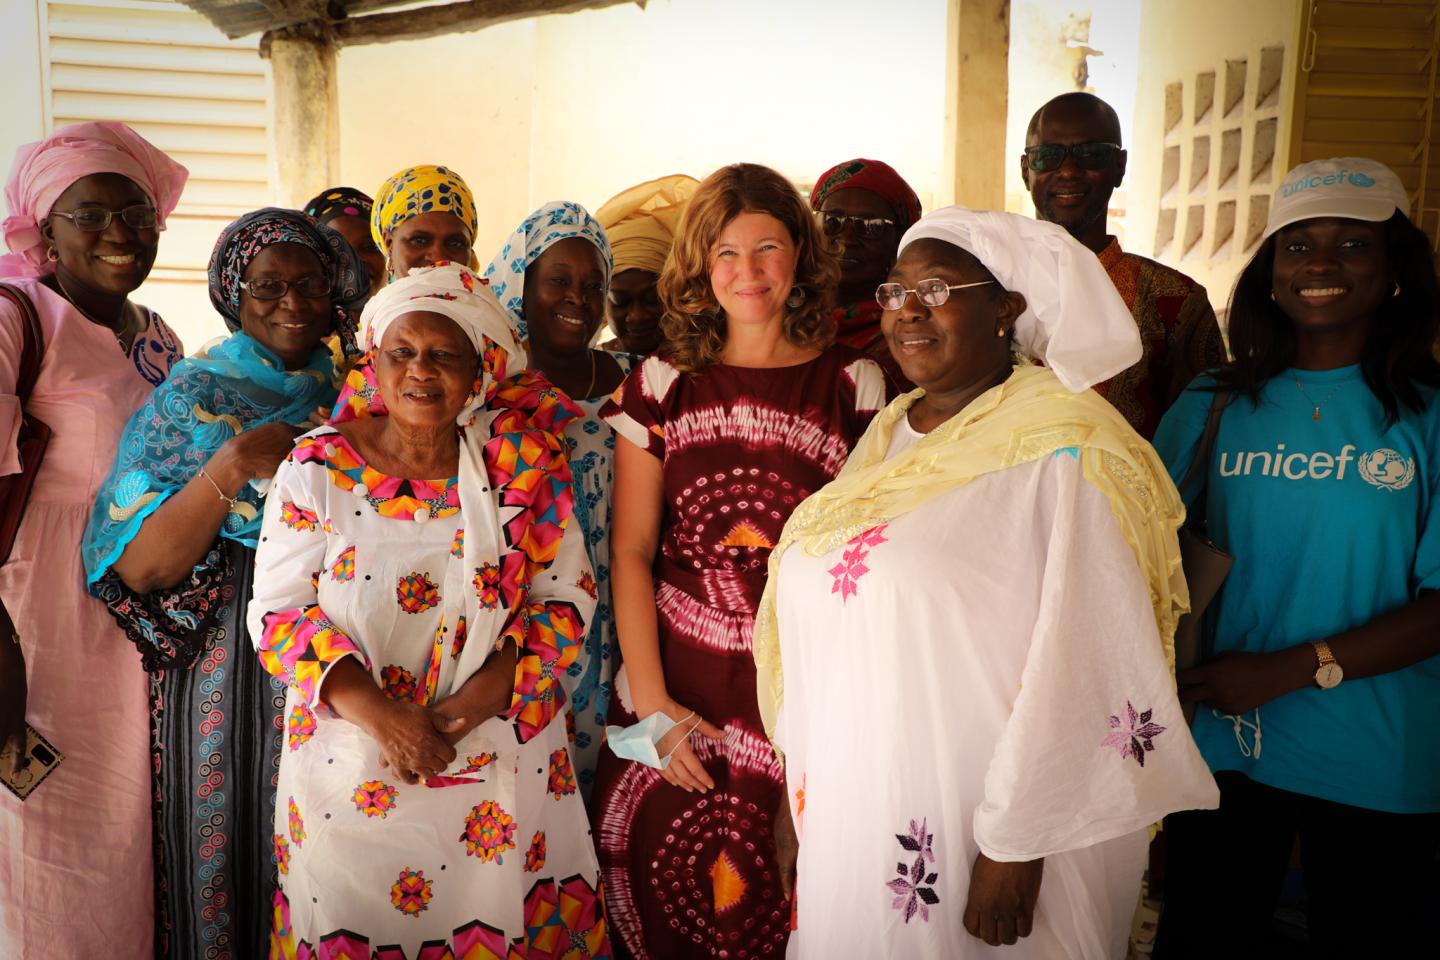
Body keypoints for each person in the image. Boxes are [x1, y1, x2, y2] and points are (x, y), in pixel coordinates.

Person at [754, 205, 1220, 958]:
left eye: (937, 289)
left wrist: (1019, 841)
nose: (908, 310)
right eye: (896, 292)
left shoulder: (1069, 451)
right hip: (853, 796)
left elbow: (1090, 652)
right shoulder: (889, 438)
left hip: (987, 824)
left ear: (1005, 309)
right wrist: (796, 789)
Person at [248, 262, 610, 955]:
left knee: (496, 916)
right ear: (374, 365)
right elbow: (281, 613)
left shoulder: (524, 465)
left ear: (478, 371)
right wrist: (390, 723)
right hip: (351, 760)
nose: (421, 371)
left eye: (445, 355)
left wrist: (463, 713)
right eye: (402, 353)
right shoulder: (316, 469)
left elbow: (565, 601)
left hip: (495, 751)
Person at [590, 162, 890, 959]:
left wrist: (818, 729)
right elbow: (631, 550)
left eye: (767, 247)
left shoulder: (856, 386)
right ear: (699, 264)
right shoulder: (659, 384)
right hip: (673, 683)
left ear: (800, 256)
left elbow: (860, 569)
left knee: (782, 901)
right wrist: (651, 707)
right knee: (660, 892)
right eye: (726, 251)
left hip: (797, 690)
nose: (748, 271)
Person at [1151, 158, 1440, 958]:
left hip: (1379, 758)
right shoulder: (1213, 402)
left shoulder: (1428, 414)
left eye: (1352, 245)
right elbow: (1130, 546)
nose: (1320, 263)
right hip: (1224, 743)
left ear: (1394, 275)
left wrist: (1287, 670)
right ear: (1270, 276)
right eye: (1297, 246)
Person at [82, 207, 365, 958]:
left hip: (336, 658)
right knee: (220, 861)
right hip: (223, 672)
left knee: (330, 864)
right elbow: (139, 566)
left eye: (308, 283)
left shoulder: (357, 392)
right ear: (234, 294)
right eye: (269, 285)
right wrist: (234, 462)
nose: (292, 302)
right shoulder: (190, 395)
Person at [0, 120, 187, 956]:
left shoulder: (159, 338)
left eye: (136, 212)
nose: (120, 232)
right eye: (92, 214)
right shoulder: (15, 317)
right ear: (46, 231)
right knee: (38, 830)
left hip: (136, 621)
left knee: (127, 829)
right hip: (36, 622)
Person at [484, 201, 628, 796]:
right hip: (528, 619)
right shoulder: (493, 385)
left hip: (625, 617)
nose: (578, 299)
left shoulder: (638, 380)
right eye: (559, 281)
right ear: (521, 283)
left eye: (594, 286)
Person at [1023, 91, 1226, 438]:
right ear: (1026, 171)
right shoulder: (984, 284)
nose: (1068, 171)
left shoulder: (1175, 300)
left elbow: (1202, 434)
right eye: (1049, 157)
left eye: (1091, 155)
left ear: (1119, 167)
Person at [809, 157, 922, 390]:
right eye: (833, 221)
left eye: (871, 226)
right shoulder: (782, 312)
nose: (847, 239)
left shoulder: (912, 327)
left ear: (899, 240)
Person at [594, 175, 699, 355]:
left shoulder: (700, 365)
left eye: (653, 299)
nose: (638, 315)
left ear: (676, 292)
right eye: (620, 301)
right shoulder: (585, 370)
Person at [371, 164, 481, 280]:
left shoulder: (486, 297)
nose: (439, 257)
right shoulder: (381, 299)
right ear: (389, 243)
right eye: (419, 241)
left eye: (455, 244)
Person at [304, 185, 385, 298]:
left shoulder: (409, 309)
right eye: (336, 249)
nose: (355, 262)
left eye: (368, 247)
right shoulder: (296, 314)